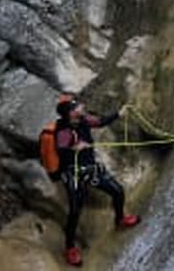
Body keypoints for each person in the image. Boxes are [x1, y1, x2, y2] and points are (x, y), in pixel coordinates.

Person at [55, 94, 140, 267]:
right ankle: (70, 247)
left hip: (91, 168)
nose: (82, 106)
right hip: (74, 173)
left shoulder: (84, 120)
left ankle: (120, 219)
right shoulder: (63, 130)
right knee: (75, 211)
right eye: (78, 106)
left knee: (118, 191)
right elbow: (61, 151)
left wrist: (118, 114)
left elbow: (100, 122)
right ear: (71, 113)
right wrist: (74, 148)